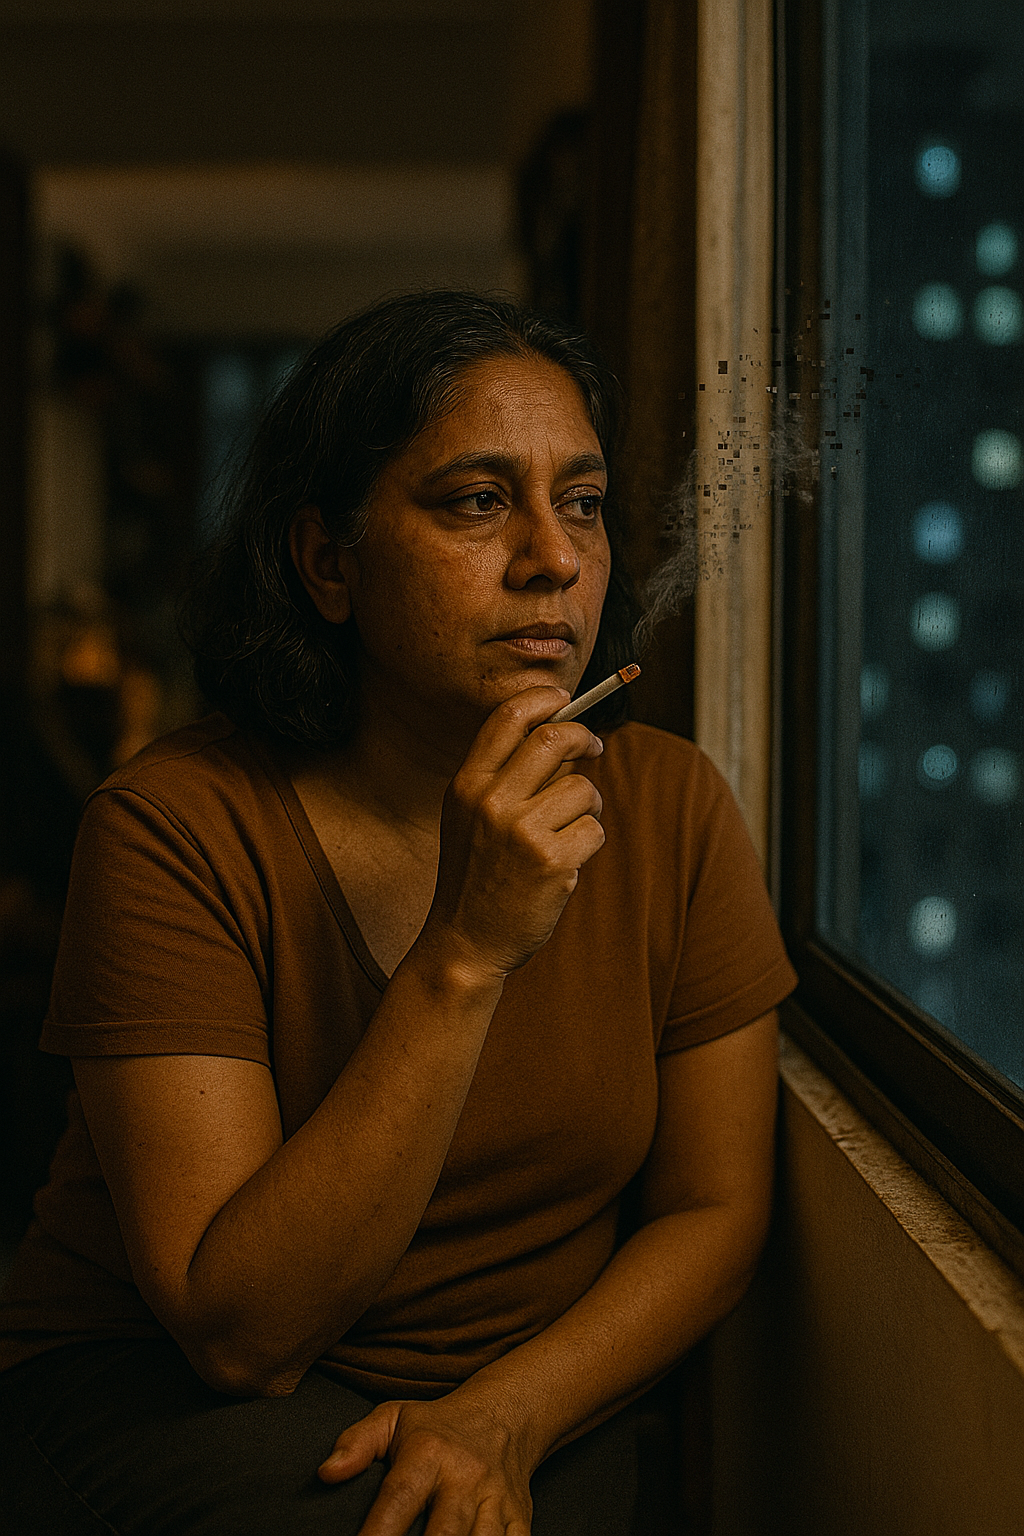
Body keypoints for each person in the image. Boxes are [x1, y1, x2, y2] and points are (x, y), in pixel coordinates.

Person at [0, 291, 796, 1535]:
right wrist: (467, 950)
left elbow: (714, 1207)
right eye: (477, 502)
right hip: (163, 1387)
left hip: (520, 1401)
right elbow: (240, 1337)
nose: (554, 559)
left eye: (579, 502)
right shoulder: (171, 827)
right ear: (327, 561)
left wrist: (505, 1415)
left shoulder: (674, 805)